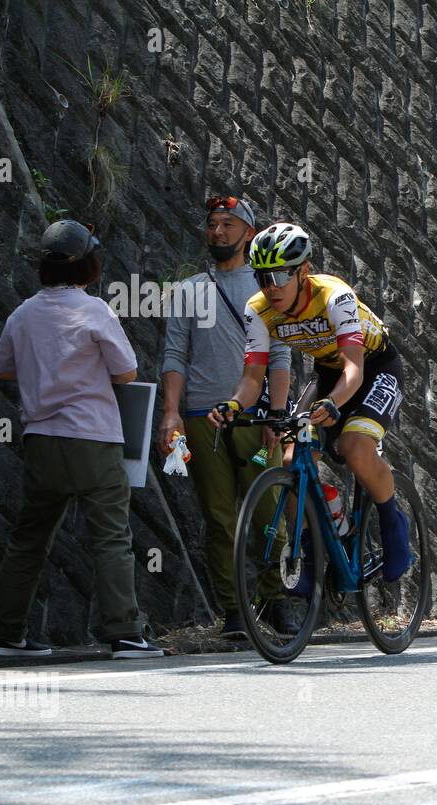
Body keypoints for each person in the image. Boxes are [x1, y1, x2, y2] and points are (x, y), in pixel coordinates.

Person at [0, 221, 162, 658]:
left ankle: (6, 635)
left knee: (29, 537)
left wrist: (41, 366)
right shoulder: (94, 311)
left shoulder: (23, 313)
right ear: (88, 265)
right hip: (91, 437)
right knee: (110, 536)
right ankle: (124, 632)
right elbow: (126, 371)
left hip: (40, 439)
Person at [208, 222, 413, 590]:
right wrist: (234, 405)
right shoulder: (258, 310)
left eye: (280, 275)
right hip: (329, 374)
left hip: (374, 367)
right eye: (262, 277)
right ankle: (314, 541)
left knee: (354, 446)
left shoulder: (335, 296)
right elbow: (253, 379)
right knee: (292, 459)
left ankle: (394, 525)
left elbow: (355, 367)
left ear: (303, 271)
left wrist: (334, 404)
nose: (270, 287)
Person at [160, 196, 293, 639]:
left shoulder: (267, 287)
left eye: (229, 224)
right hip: (201, 416)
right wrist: (171, 413)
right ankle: (234, 610)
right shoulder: (189, 290)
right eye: (213, 224)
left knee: (268, 511)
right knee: (219, 518)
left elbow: (280, 355)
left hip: (255, 419)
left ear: (249, 233)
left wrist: (277, 414)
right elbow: (175, 355)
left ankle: (274, 599)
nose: (218, 232)